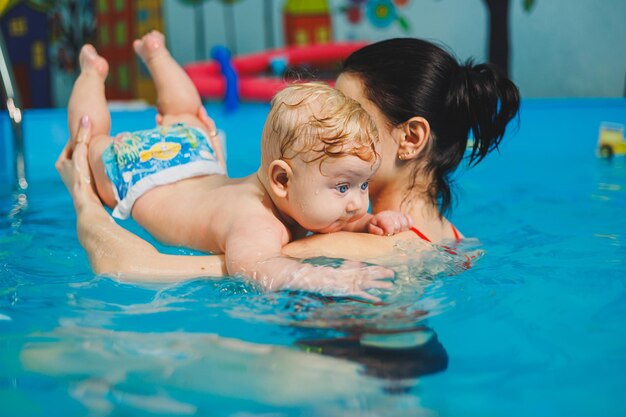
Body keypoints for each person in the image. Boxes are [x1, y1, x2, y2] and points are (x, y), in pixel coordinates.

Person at [57, 36, 519, 282]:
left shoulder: (332, 248)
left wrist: (84, 200)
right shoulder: (460, 245)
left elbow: (127, 268)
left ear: (411, 137)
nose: (330, 123)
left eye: (351, 111)